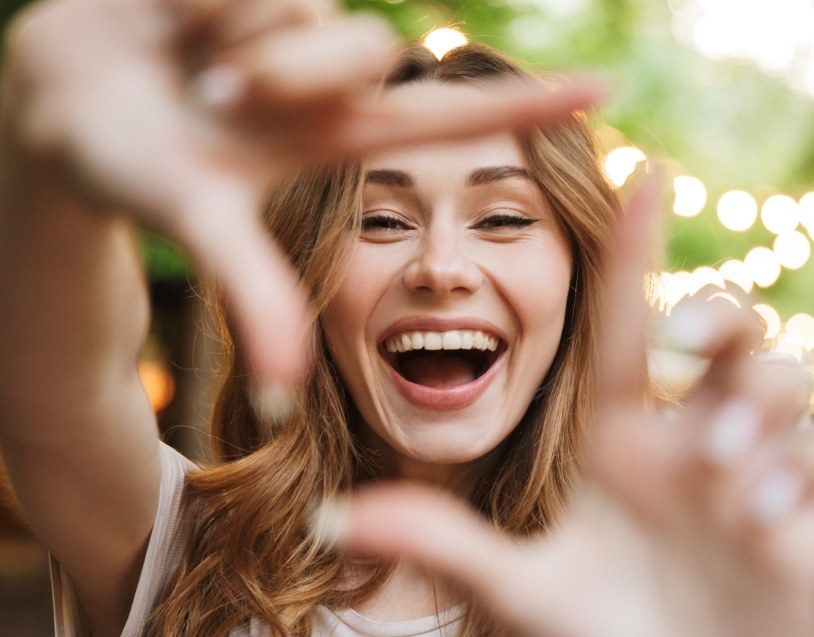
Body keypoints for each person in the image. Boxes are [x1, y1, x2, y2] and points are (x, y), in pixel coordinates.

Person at [0, 0, 811, 636]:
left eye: (503, 219)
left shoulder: (695, 566)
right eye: (382, 220)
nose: (442, 269)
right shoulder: (183, 547)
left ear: (579, 280)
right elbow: (55, 390)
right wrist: (51, 174)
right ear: (310, 273)